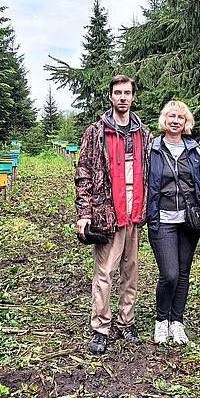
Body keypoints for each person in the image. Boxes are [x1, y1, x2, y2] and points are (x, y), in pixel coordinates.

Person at [75, 75, 153, 355]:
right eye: (118, 92)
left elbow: (151, 175)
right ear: (110, 97)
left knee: (130, 272)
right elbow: (83, 173)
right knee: (105, 273)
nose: (122, 97)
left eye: (127, 93)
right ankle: (101, 327)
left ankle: (126, 322)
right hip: (107, 213)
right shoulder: (95, 132)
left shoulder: (143, 134)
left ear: (133, 97)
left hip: (135, 213)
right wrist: (84, 214)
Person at [147, 100, 200, 344]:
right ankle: (161, 320)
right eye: (171, 116)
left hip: (189, 220)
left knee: (183, 274)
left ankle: (177, 322)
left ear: (186, 122)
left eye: (180, 117)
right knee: (169, 274)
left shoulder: (194, 149)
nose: (175, 121)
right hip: (162, 218)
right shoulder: (153, 149)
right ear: (164, 120)